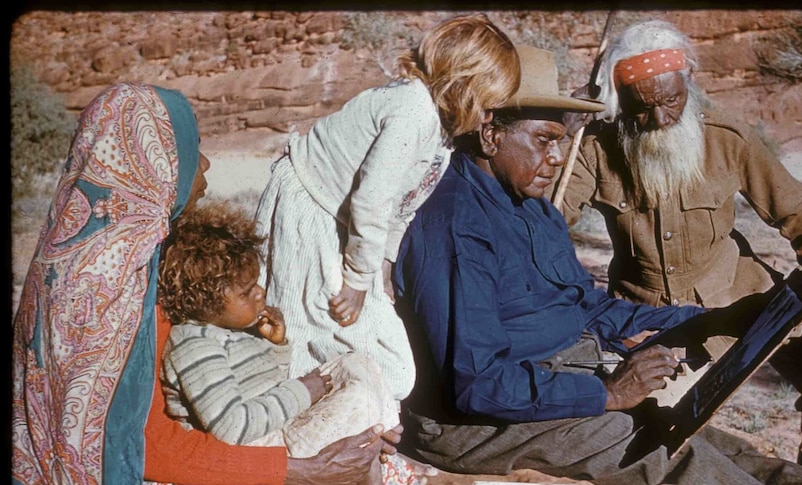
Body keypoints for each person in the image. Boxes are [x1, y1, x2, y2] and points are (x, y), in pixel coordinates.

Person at [393, 45, 802, 484]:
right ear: (490, 134)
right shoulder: (455, 228)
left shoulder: (531, 208)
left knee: (730, 452)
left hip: (554, 378)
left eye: (562, 140)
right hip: (477, 425)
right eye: (545, 139)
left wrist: (708, 319)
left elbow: (585, 306)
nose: (559, 157)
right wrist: (607, 392)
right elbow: (477, 384)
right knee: (682, 463)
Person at [11, 82, 406, 485]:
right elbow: (145, 448)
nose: (204, 164)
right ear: (153, 162)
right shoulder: (115, 289)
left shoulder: (101, 260)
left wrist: (355, 429)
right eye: (189, 149)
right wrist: (303, 471)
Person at [558, 19, 802, 478]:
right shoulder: (593, 151)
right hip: (648, 323)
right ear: (619, 102)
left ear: (688, 82)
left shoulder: (728, 139)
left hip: (742, 301)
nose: (661, 119)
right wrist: (569, 133)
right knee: (655, 435)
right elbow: (548, 222)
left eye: (671, 100)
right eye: (642, 108)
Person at [253, 13, 521, 403]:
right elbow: (372, 198)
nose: (488, 118)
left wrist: (383, 264)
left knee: (387, 354)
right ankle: (292, 421)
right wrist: (358, 279)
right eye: (487, 105)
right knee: (301, 319)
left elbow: (404, 204)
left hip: (343, 219)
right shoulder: (412, 112)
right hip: (308, 203)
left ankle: (351, 412)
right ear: (463, 86)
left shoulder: (439, 132)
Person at [157, 201, 402, 463]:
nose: (259, 292)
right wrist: (304, 391)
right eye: (246, 291)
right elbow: (232, 428)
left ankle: (381, 440)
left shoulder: (230, 329)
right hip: (254, 448)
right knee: (357, 399)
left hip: (277, 427)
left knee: (355, 363)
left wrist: (276, 346)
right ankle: (375, 453)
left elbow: (263, 384)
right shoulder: (194, 345)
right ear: (204, 300)